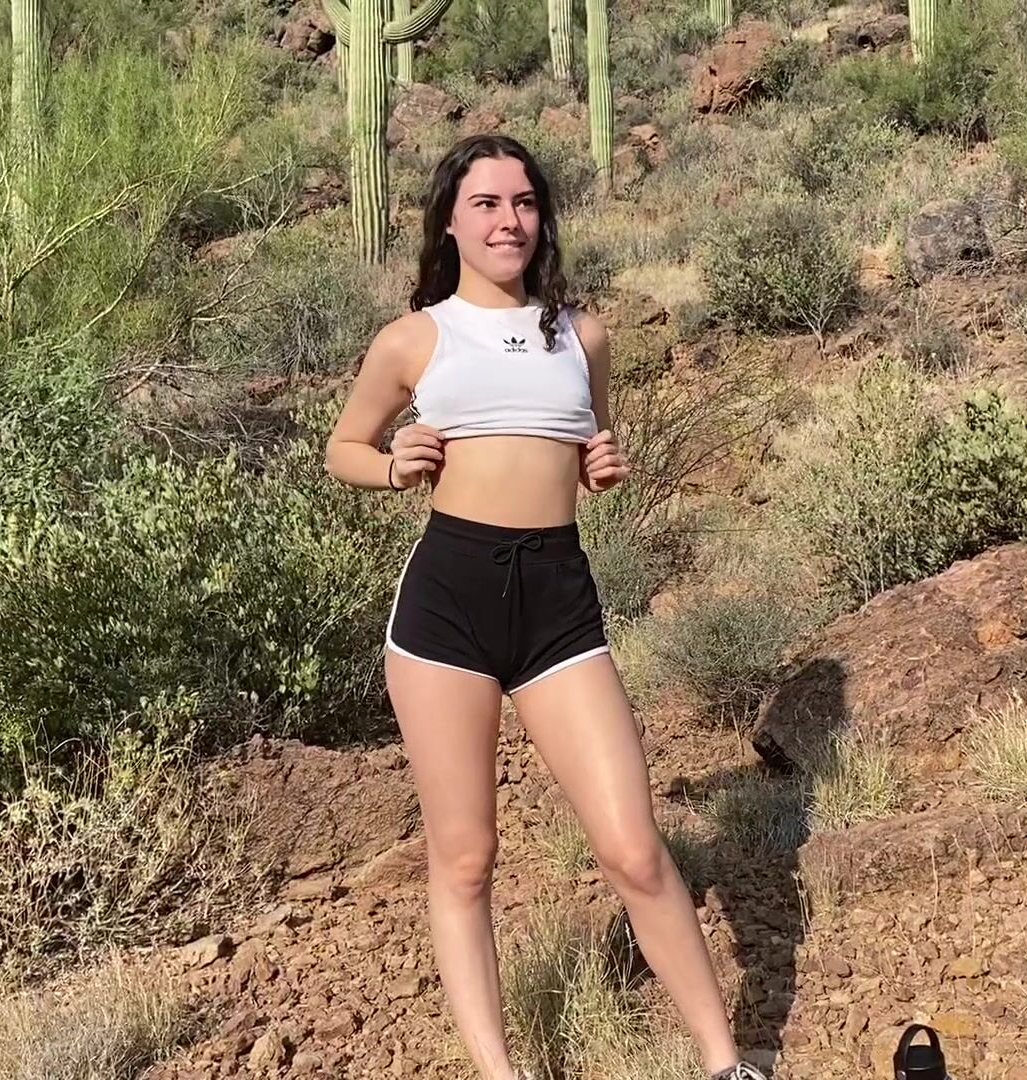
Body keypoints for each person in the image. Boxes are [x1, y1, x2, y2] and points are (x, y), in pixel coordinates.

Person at [324, 133, 768, 1080]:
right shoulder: (415, 338)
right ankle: (500, 1072)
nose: (508, 221)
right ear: (450, 221)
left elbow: (591, 445)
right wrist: (392, 465)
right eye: (486, 204)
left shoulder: (582, 335)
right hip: (446, 611)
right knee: (466, 859)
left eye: (523, 203)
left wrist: (603, 466)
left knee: (634, 849)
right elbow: (344, 448)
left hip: (559, 602)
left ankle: (726, 1064)